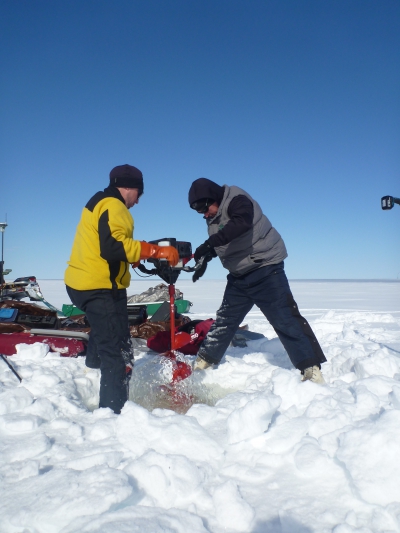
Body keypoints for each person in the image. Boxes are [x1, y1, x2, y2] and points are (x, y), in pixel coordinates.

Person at [65, 164, 179, 413]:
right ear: (129, 187)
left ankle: (92, 367)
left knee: (110, 328)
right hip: (98, 286)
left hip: (88, 282)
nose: (138, 201)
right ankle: (113, 414)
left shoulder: (99, 201)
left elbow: (106, 243)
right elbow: (113, 246)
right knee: (118, 351)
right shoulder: (114, 205)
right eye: (139, 194)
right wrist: (154, 251)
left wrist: (134, 255)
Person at [188, 177, 326, 383]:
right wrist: (206, 258)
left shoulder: (237, 199)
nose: (205, 215)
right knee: (225, 320)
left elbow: (241, 223)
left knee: (284, 318)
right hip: (239, 275)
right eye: (200, 213)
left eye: (205, 210)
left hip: (265, 268)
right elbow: (227, 241)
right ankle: (205, 360)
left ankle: (310, 368)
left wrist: (209, 244)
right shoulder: (214, 215)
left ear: (214, 197)